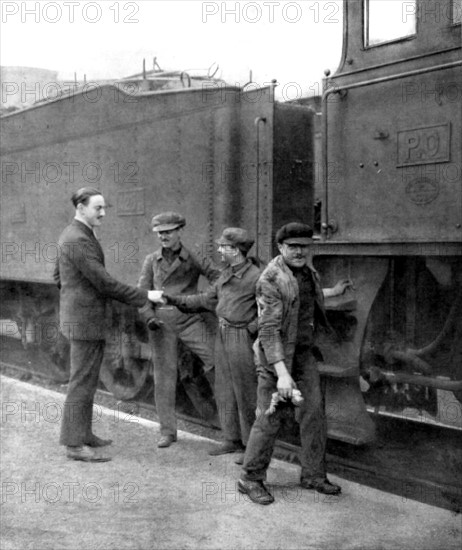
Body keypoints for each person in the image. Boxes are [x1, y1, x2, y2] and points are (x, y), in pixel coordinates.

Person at [237, 222, 352, 504]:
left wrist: (334, 291)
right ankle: (250, 479)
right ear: (280, 247)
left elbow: (303, 297)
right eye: (293, 247)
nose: (300, 251)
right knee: (269, 418)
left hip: (302, 355)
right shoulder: (270, 279)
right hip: (274, 358)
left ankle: (313, 475)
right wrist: (281, 374)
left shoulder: (306, 272)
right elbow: (268, 330)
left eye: (304, 246)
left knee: (313, 414)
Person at [54, 187, 162, 463]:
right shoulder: (78, 238)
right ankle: (74, 444)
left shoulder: (74, 234)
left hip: (84, 319)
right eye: (98, 208)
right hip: (86, 323)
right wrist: (144, 295)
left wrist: (76, 297)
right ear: (80, 207)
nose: (103, 213)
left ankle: (84, 434)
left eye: (104, 208)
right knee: (81, 382)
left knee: (87, 380)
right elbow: (103, 282)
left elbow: (58, 276)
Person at [163, 228, 261, 460]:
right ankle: (231, 439)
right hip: (223, 334)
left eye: (223, 247)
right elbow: (204, 300)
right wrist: (173, 299)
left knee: (246, 392)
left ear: (235, 251)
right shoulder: (226, 275)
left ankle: (251, 448)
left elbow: (269, 309)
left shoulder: (257, 277)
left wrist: (251, 328)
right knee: (225, 389)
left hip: (240, 337)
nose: (219, 250)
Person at [137, 212, 220, 448]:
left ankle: (229, 425)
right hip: (161, 323)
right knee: (164, 377)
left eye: (169, 231)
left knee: (216, 361)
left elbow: (218, 277)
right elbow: (142, 294)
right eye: (160, 232)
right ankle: (167, 431)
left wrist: (200, 300)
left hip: (189, 319)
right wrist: (149, 316)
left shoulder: (192, 256)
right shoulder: (151, 260)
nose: (164, 236)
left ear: (179, 232)